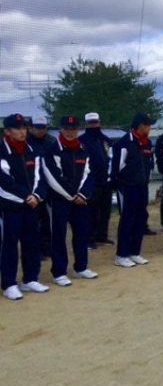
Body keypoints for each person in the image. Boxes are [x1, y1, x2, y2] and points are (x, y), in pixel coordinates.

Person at [42, 115, 98, 285]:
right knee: (59, 236)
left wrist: (82, 194)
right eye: (66, 129)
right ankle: (59, 272)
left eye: (73, 129)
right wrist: (73, 196)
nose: (70, 132)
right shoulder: (52, 150)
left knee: (81, 233)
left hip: (80, 200)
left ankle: (81, 268)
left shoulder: (83, 149)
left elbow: (89, 174)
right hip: (59, 201)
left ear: (78, 130)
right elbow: (54, 178)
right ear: (61, 129)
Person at [0, 114, 50, 300]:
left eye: (24, 128)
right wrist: (26, 197)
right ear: (7, 131)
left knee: (32, 242)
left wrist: (36, 195)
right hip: (10, 207)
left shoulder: (31, 150)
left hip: (31, 205)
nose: (22, 132)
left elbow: (40, 176)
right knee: (9, 246)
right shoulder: (2, 151)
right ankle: (9, 284)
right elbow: (4, 182)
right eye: (18, 128)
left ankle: (30, 279)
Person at [109, 113, 156, 267]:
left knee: (140, 218)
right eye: (148, 125)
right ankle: (122, 255)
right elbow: (116, 166)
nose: (150, 128)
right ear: (141, 126)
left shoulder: (147, 143)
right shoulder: (124, 143)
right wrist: (118, 183)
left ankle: (135, 252)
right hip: (127, 187)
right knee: (127, 220)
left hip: (142, 185)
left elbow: (149, 163)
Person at [79, 112, 114, 249]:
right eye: (91, 123)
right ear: (86, 124)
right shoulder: (82, 141)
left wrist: (111, 177)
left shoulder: (105, 140)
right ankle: (89, 238)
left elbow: (111, 158)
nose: (94, 125)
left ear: (100, 123)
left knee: (105, 211)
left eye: (95, 122)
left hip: (106, 181)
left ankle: (102, 236)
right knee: (91, 212)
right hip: (92, 182)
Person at [27, 115, 55, 259]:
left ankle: (47, 247)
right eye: (37, 127)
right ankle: (35, 250)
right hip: (32, 189)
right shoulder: (26, 144)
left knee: (47, 219)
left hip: (49, 188)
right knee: (33, 222)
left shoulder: (50, 143)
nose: (40, 130)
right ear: (30, 128)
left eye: (43, 127)